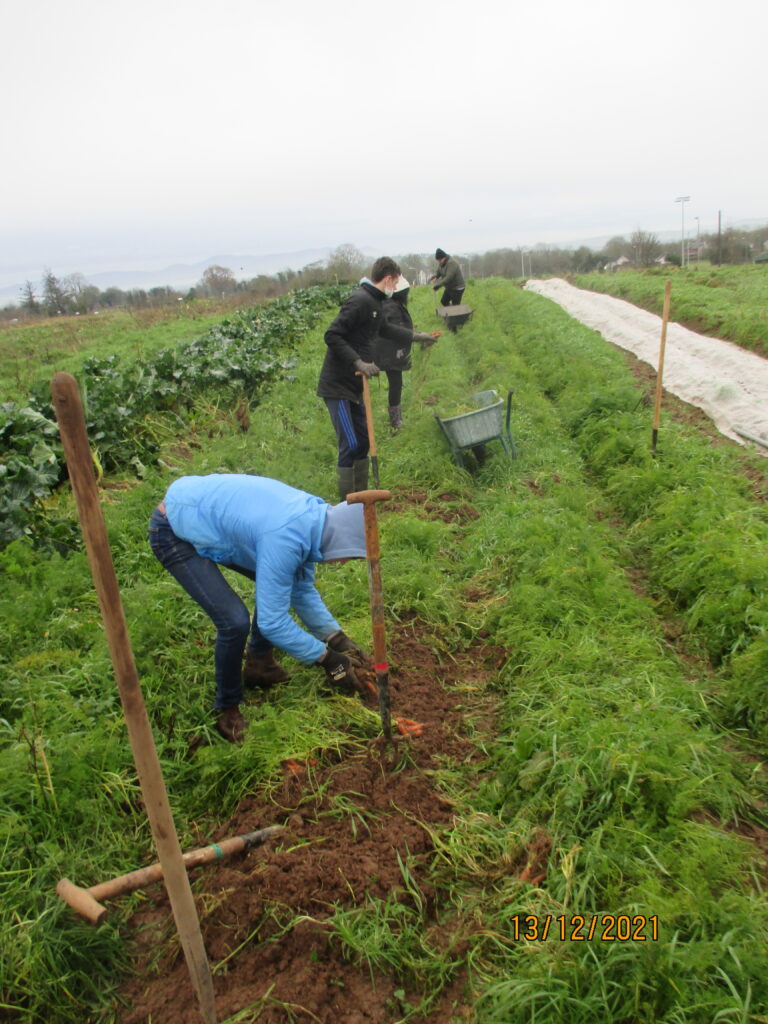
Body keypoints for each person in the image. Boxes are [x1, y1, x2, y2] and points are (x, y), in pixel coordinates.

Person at [148, 473, 373, 743]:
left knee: (277, 588)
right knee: (234, 622)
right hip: (174, 526)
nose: (347, 561)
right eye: (352, 553)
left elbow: (300, 589)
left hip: (208, 513)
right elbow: (273, 623)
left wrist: (336, 639)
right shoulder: (286, 537)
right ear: (341, 538)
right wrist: (327, 659)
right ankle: (227, 710)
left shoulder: (314, 525)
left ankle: (260, 666)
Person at [317, 257, 415, 499]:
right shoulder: (360, 300)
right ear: (389, 278)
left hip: (355, 387)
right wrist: (358, 361)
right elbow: (332, 335)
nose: (396, 286)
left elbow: (387, 330)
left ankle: (361, 499)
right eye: (396, 281)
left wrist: (418, 337)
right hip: (338, 385)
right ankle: (346, 503)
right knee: (350, 445)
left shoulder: (376, 303)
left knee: (362, 443)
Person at [375, 275, 440, 429]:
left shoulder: (392, 304)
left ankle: (395, 418)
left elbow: (401, 329)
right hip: (388, 350)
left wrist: (417, 334)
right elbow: (397, 331)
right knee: (396, 383)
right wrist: (419, 337)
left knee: (395, 383)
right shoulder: (392, 306)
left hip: (389, 348)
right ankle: (395, 421)